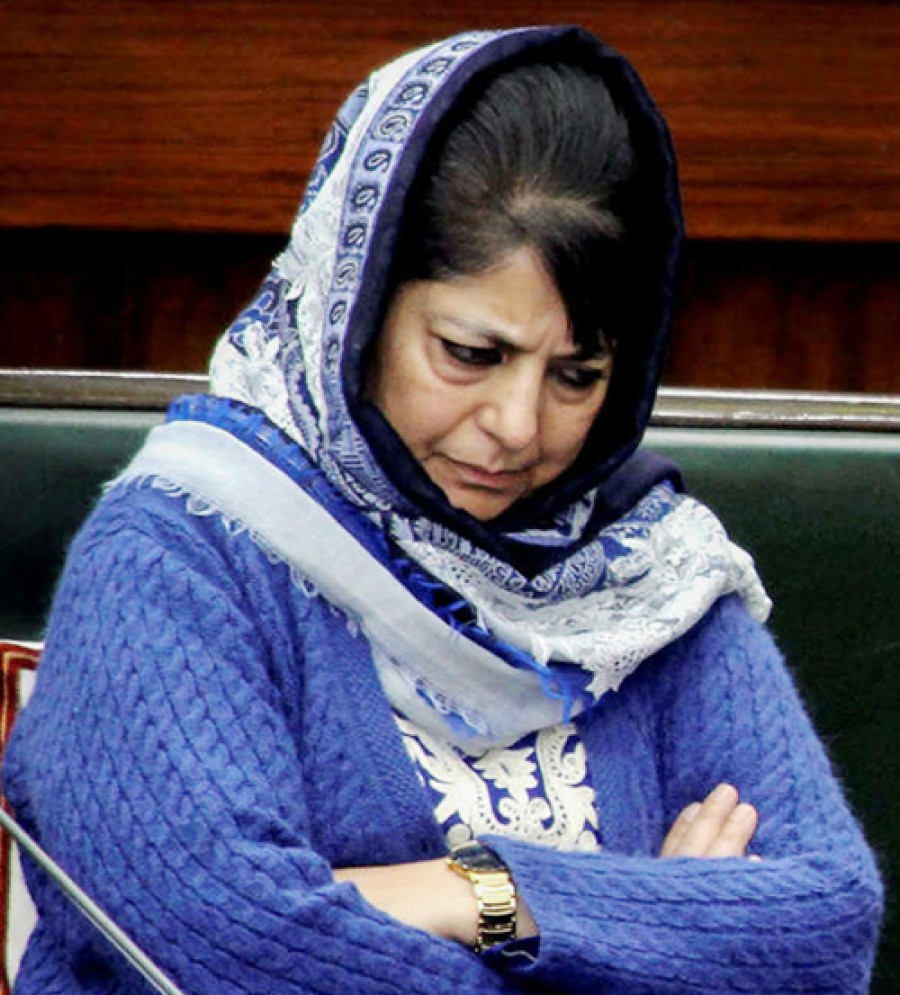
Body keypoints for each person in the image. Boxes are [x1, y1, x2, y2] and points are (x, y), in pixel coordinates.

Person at [4, 25, 882, 994]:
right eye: (471, 353)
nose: (517, 426)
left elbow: (825, 923)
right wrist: (657, 925)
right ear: (357, 309)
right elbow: (235, 943)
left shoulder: (648, 574)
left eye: (577, 375)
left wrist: (468, 891)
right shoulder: (176, 556)